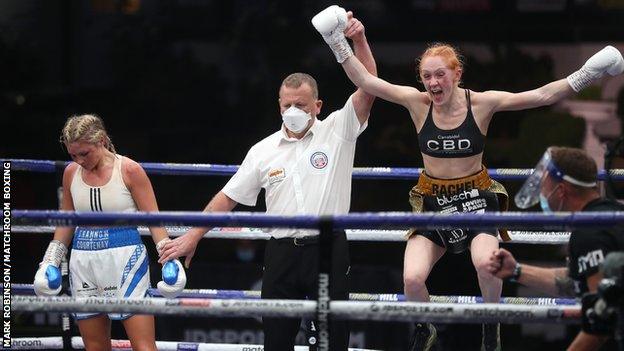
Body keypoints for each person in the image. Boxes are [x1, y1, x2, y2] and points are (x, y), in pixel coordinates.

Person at [312, 5, 624, 350]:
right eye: (427, 76)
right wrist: (335, 41)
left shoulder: (482, 104)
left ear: (456, 73)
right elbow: (366, 81)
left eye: (440, 75)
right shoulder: (417, 103)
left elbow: (542, 96)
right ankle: (424, 328)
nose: (433, 83)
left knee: (486, 266)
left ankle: (491, 324)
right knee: (412, 279)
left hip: (477, 198)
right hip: (432, 200)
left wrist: (591, 71)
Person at [158, 10, 377, 351]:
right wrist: (193, 236)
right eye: (287, 104)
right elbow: (227, 197)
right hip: (281, 254)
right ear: (279, 106)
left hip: (327, 249)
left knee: (333, 342)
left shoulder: (338, 130)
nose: (293, 110)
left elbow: (368, 87)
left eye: (301, 104)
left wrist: (358, 40)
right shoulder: (262, 151)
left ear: (316, 105)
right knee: (276, 341)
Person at [33, 114, 186, 351]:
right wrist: (51, 260)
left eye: (84, 153)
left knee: (144, 346)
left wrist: (169, 258)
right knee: (94, 347)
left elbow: (154, 219)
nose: (79, 160)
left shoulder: (129, 170)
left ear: (101, 141)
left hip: (124, 258)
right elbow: (67, 221)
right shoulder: (71, 172)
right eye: (73, 155)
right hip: (83, 259)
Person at [488, 146, 624, 350]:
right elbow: (578, 282)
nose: (541, 192)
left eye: (544, 185)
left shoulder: (590, 233)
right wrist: (517, 271)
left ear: (560, 191)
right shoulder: (606, 215)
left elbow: (600, 323)